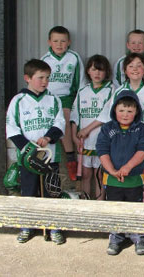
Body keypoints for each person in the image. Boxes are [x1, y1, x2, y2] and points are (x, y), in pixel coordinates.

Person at [6, 59, 66, 244]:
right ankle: (27, 226)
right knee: (28, 191)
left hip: (49, 155)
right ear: (27, 78)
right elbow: (12, 127)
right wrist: (28, 147)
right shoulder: (18, 101)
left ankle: (53, 226)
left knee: (51, 191)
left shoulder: (53, 99)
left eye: (47, 78)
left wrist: (48, 138)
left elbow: (59, 123)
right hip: (28, 158)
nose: (45, 81)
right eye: (40, 77)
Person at [97, 53, 144, 203]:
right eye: (131, 66)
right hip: (121, 146)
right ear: (125, 70)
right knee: (119, 187)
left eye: (139, 66)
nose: (135, 69)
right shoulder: (118, 92)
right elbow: (109, 119)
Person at [96, 89, 144, 256]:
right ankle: (116, 236)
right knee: (115, 208)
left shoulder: (141, 129)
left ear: (137, 112)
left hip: (134, 179)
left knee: (135, 207)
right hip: (113, 180)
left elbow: (143, 150)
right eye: (121, 110)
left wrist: (127, 167)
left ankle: (138, 236)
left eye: (130, 111)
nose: (125, 114)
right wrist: (112, 170)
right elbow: (102, 150)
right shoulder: (107, 129)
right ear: (114, 110)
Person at [41, 26, 85, 181]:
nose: (59, 44)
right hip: (49, 98)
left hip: (67, 97)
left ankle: (71, 158)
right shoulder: (45, 59)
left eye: (63, 41)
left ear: (69, 42)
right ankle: (44, 159)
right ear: (49, 42)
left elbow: (80, 81)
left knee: (65, 121)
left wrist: (78, 101)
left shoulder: (74, 57)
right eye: (55, 41)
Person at [71, 55, 114, 199]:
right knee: (85, 174)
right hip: (84, 142)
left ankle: (100, 203)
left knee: (99, 174)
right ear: (88, 71)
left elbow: (106, 114)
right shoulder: (83, 90)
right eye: (94, 69)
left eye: (101, 70)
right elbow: (75, 115)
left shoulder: (111, 89)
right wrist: (73, 136)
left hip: (101, 140)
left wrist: (87, 129)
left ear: (106, 72)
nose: (97, 73)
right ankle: (85, 201)